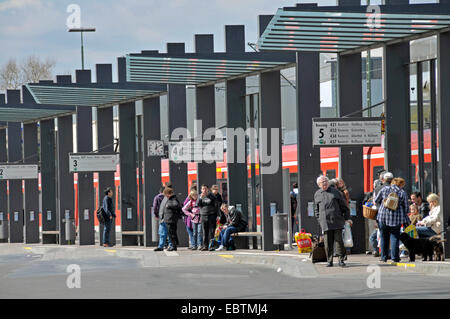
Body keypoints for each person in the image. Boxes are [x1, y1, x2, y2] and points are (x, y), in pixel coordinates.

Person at [314, 176, 352, 267]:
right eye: (322, 182)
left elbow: (343, 206)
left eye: (326, 181)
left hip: (337, 220)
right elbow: (316, 209)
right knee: (328, 243)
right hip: (325, 222)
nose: (324, 183)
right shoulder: (317, 194)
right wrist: (319, 219)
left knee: (339, 242)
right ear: (319, 184)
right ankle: (329, 260)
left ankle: (341, 260)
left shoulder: (336, 192)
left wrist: (347, 217)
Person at [374, 177, 410, 262]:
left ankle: (384, 257)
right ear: (400, 184)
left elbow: (376, 200)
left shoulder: (385, 189)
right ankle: (395, 257)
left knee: (383, 237)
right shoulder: (402, 192)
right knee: (394, 237)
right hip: (396, 219)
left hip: (382, 217)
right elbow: (406, 208)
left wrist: (383, 204)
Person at [198, 185, 218, 251]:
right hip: (203, 215)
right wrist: (201, 198)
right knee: (204, 232)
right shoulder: (200, 196)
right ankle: (205, 246)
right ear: (201, 190)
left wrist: (216, 215)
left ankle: (211, 246)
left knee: (212, 231)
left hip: (211, 215)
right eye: (203, 189)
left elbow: (216, 205)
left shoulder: (212, 196)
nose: (204, 190)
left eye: (205, 189)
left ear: (208, 189)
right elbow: (198, 204)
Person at [154, 183, 174, 251]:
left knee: (166, 233)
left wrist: (157, 215)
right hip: (164, 218)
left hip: (167, 218)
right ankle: (162, 246)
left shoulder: (171, 198)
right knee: (164, 233)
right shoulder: (166, 198)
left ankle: (169, 245)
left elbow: (156, 207)